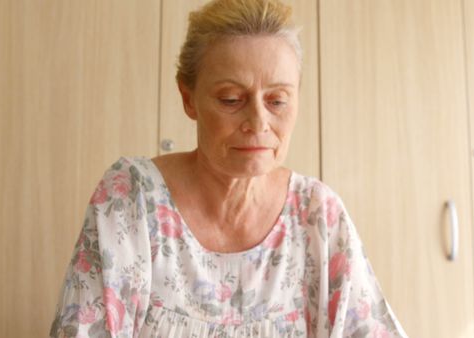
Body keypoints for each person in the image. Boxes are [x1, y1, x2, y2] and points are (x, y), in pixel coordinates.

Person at [50, 0, 406, 337]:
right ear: (189, 99)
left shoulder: (317, 216)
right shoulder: (131, 199)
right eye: (231, 99)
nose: (258, 121)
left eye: (277, 100)